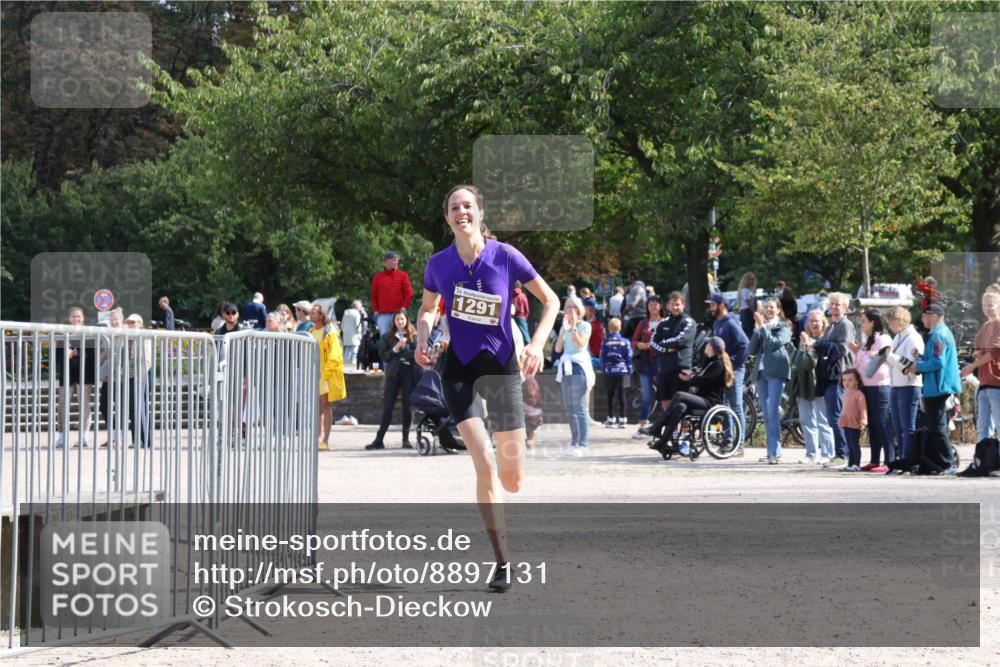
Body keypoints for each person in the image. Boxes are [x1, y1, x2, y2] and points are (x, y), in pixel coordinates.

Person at [415, 185, 559, 592]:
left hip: (501, 370)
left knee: (512, 478)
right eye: (453, 207)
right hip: (458, 370)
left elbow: (550, 301)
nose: (461, 212)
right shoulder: (439, 264)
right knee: (484, 462)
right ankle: (502, 563)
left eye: (467, 206)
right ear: (447, 218)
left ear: (479, 212)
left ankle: (510, 470)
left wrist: (535, 344)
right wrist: (423, 338)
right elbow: (427, 308)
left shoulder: (505, 256)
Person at [645, 337, 732, 457]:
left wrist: (690, 378)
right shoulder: (709, 362)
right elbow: (702, 378)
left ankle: (656, 427)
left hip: (711, 403)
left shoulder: (718, 364)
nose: (705, 346)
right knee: (679, 407)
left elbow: (702, 381)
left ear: (712, 348)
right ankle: (663, 441)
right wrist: (692, 374)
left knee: (679, 395)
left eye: (707, 344)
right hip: (702, 399)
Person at [906, 303, 961, 473]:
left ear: (934, 316)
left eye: (924, 315)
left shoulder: (938, 335)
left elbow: (939, 362)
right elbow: (934, 359)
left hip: (939, 387)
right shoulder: (937, 334)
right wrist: (920, 357)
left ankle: (948, 463)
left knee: (937, 428)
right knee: (936, 427)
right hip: (936, 386)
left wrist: (918, 367)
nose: (922, 319)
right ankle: (941, 462)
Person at [810, 292, 854, 468]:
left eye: (838, 304)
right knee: (832, 417)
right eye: (832, 304)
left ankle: (842, 454)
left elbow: (842, 349)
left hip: (839, 376)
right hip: (828, 376)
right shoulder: (830, 327)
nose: (834, 307)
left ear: (845, 307)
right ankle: (839, 452)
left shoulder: (846, 325)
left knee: (837, 416)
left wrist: (817, 344)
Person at [366, 309, 419, 450]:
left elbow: (417, 355)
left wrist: (407, 351)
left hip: (408, 373)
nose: (400, 322)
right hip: (393, 374)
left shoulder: (414, 335)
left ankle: (406, 439)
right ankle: (379, 439)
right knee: (388, 406)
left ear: (407, 320)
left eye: (402, 319)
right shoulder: (386, 337)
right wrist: (395, 348)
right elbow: (383, 356)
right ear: (394, 322)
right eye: (397, 320)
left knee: (408, 407)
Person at [747, 297, 792, 464]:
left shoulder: (783, 327)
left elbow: (775, 344)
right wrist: (756, 330)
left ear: (779, 310)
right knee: (766, 413)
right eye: (766, 307)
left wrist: (764, 327)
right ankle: (770, 452)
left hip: (776, 372)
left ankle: (776, 452)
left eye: (772, 307)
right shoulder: (762, 327)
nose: (768, 310)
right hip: (761, 373)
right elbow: (752, 350)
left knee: (773, 411)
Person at [849, 309, 893, 472]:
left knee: (883, 423)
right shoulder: (869, 341)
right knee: (873, 425)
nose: (862, 324)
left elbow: (873, 364)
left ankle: (890, 461)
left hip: (880, 387)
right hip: (867, 387)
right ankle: (875, 460)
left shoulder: (884, 339)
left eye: (864, 320)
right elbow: (860, 363)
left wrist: (861, 355)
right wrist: (861, 355)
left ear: (873, 322)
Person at [788, 310, 834, 464]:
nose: (814, 324)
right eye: (811, 321)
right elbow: (798, 363)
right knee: (806, 421)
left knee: (823, 421)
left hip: (818, 385)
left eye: (817, 321)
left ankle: (828, 453)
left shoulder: (824, 340)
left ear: (823, 323)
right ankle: (811, 454)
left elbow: (810, 363)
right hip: (803, 385)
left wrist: (808, 347)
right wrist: (803, 347)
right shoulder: (804, 340)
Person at [707, 293, 749, 448]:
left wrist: (734, 365)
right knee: (725, 406)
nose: (710, 307)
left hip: (734, 371)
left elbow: (745, 344)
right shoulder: (717, 323)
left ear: (721, 305)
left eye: (712, 304)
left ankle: (739, 444)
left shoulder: (730, 323)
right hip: (723, 370)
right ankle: (728, 440)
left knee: (736, 406)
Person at [884, 306, 924, 463]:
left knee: (908, 427)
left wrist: (891, 357)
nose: (889, 326)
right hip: (896, 386)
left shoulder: (914, 338)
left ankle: (909, 459)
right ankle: (902, 460)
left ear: (898, 321)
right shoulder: (898, 337)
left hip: (909, 386)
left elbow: (912, 365)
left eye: (890, 323)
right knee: (898, 427)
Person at [555, 296, 594, 452]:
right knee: (569, 407)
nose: (570, 310)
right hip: (566, 367)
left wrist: (572, 328)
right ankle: (574, 442)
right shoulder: (563, 327)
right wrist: (563, 331)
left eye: (573, 307)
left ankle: (583, 444)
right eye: (568, 307)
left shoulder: (585, 326)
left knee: (579, 407)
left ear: (579, 310)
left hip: (579, 367)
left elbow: (580, 344)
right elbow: (558, 349)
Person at [53, 306, 96, 447]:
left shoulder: (89, 333)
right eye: (73, 316)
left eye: (78, 316)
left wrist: (75, 354)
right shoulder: (63, 333)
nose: (76, 319)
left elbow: (91, 355)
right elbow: (58, 356)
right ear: (69, 318)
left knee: (84, 406)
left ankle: (83, 438)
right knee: (62, 406)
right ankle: (61, 437)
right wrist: (66, 355)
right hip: (66, 376)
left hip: (85, 375)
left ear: (83, 318)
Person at [961, 288, 1000, 440]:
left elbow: (993, 353)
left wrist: (972, 366)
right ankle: (982, 459)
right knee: (983, 427)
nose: (987, 308)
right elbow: (978, 350)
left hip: (996, 382)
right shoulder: (985, 327)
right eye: (984, 305)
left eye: (991, 305)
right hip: (984, 382)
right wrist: (977, 354)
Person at [649, 291, 696, 414]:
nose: (675, 307)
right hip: (664, 370)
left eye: (677, 304)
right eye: (672, 304)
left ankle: (683, 432)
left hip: (681, 370)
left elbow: (681, 340)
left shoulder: (689, 322)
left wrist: (662, 343)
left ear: (683, 305)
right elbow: (652, 344)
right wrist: (665, 349)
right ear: (668, 306)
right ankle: (673, 430)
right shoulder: (663, 323)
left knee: (681, 404)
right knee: (665, 402)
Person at [310, 304, 347, 451]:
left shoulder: (329, 332)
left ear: (321, 315)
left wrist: (326, 374)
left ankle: (325, 440)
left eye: (314, 313)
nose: (311, 315)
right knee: (317, 407)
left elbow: (335, 355)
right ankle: (318, 438)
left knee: (325, 405)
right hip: (314, 373)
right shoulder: (311, 331)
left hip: (325, 374)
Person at [630, 295, 664, 437]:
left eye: (656, 304)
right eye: (650, 304)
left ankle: (666, 425)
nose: (653, 307)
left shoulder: (665, 322)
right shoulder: (643, 324)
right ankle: (643, 426)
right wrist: (640, 345)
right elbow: (633, 342)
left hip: (662, 363)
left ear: (660, 306)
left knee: (665, 394)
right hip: (645, 363)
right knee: (646, 395)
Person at [371, 251, 414, 336]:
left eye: (397, 260)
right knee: (384, 339)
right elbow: (374, 296)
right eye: (393, 260)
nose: (396, 262)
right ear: (387, 261)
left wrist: (404, 307)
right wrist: (375, 310)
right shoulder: (378, 277)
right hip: (383, 315)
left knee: (400, 337)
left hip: (398, 314)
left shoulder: (403, 275)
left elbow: (409, 293)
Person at [600, 317, 632, 429]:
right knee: (622, 396)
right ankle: (623, 419)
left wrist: (603, 368)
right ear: (620, 328)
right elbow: (628, 356)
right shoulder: (625, 342)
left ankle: (610, 419)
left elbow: (602, 357)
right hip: (622, 371)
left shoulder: (606, 342)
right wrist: (629, 368)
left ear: (609, 329)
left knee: (610, 396)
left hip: (609, 372)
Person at [838, 369, 867, 472]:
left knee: (854, 444)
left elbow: (863, 408)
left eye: (850, 380)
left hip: (854, 422)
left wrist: (863, 420)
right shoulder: (844, 393)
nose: (846, 382)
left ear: (857, 381)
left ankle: (856, 464)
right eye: (844, 380)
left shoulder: (859, 394)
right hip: (846, 421)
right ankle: (850, 464)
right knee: (849, 444)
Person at [341, 300, 365, 368]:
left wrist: (345, 332)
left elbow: (342, 324)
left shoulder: (345, 312)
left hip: (346, 335)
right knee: (355, 351)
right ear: (358, 306)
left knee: (347, 351)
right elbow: (358, 325)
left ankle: (345, 364)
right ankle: (353, 364)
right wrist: (359, 334)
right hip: (354, 335)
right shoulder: (356, 313)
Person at [736, 272, 758, 340]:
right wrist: (754, 313)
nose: (752, 281)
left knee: (751, 330)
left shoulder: (749, 290)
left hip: (747, 312)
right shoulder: (745, 290)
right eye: (750, 279)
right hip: (747, 312)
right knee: (749, 332)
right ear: (746, 280)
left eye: (753, 279)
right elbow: (749, 303)